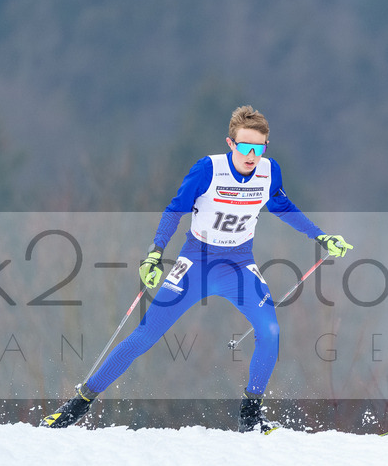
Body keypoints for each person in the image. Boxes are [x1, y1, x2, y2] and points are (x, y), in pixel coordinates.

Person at [44, 106, 351, 431]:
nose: (252, 156)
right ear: (230, 144)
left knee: (271, 331)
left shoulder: (269, 171)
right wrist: (155, 253)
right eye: (245, 147)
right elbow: (175, 209)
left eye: (259, 148)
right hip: (196, 265)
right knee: (145, 335)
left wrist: (321, 236)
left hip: (239, 266)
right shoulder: (208, 169)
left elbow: (281, 205)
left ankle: (250, 415)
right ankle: (80, 402)